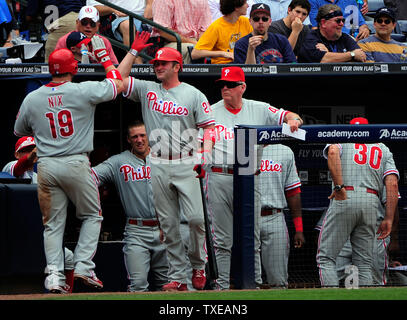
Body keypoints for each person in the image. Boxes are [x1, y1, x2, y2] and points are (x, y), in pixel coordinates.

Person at [13, 37, 124, 294]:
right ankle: (84, 265)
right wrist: (105, 59)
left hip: (47, 165)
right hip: (75, 161)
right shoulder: (82, 90)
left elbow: (19, 129)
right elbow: (117, 84)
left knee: (53, 225)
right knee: (92, 215)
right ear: (73, 68)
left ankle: (53, 275)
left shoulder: (33, 97)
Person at [117, 32, 216, 291]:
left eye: (163, 64)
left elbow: (209, 129)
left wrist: (205, 155)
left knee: (195, 219)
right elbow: (117, 80)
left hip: (187, 161)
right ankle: (178, 276)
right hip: (158, 162)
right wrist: (133, 52)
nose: (158, 67)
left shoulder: (193, 93)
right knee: (168, 223)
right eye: (156, 64)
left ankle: (197, 265)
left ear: (176, 66)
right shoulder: (148, 90)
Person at [202, 66, 303, 290]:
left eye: (230, 85)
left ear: (242, 87)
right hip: (219, 175)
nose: (225, 88)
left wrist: (294, 120)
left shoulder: (258, 108)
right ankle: (221, 286)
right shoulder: (210, 111)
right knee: (222, 240)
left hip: (249, 176)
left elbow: (288, 115)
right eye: (221, 85)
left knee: (252, 237)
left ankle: (254, 286)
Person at [316, 117, 399, 287]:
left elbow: (332, 153)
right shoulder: (382, 148)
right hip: (371, 201)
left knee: (326, 258)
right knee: (364, 263)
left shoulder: (342, 140)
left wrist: (339, 186)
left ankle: (330, 297)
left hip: (346, 194)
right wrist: (389, 218)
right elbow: (392, 183)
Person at [92, 121, 169, 292]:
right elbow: (90, 177)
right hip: (137, 230)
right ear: (128, 139)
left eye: (143, 135)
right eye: (135, 136)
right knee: (138, 285)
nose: (139, 140)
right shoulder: (119, 161)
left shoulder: (164, 158)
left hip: (165, 228)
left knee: (167, 287)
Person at [258, 144, 305, 288]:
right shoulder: (242, 146)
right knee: (249, 281)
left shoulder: (284, 151)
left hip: (275, 216)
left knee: (278, 281)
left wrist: (299, 228)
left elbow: (293, 191)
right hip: (248, 218)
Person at [297, 4, 366, 63]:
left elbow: (361, 56)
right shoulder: (311, 38)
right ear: (323, 23)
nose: (342, 24)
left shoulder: (345, 38)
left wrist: (329, 54)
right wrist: (352, 55)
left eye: (343, 20)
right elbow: (324, 60)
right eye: (338, 21)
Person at [54, 5, 119, 65]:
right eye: (84, 22)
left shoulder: (104, 42)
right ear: (77, 23)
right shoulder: (65, 40)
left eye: (92, 23)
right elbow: (56, 66)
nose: (88, 26)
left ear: (98, 26)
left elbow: (114, 67)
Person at [86, 0, 154, 46]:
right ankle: (138, 66)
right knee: (127, 26)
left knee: (162, 22)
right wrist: (113, 9)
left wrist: (150, 4)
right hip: (117, 18)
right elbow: (94, 8)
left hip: (144, 17)